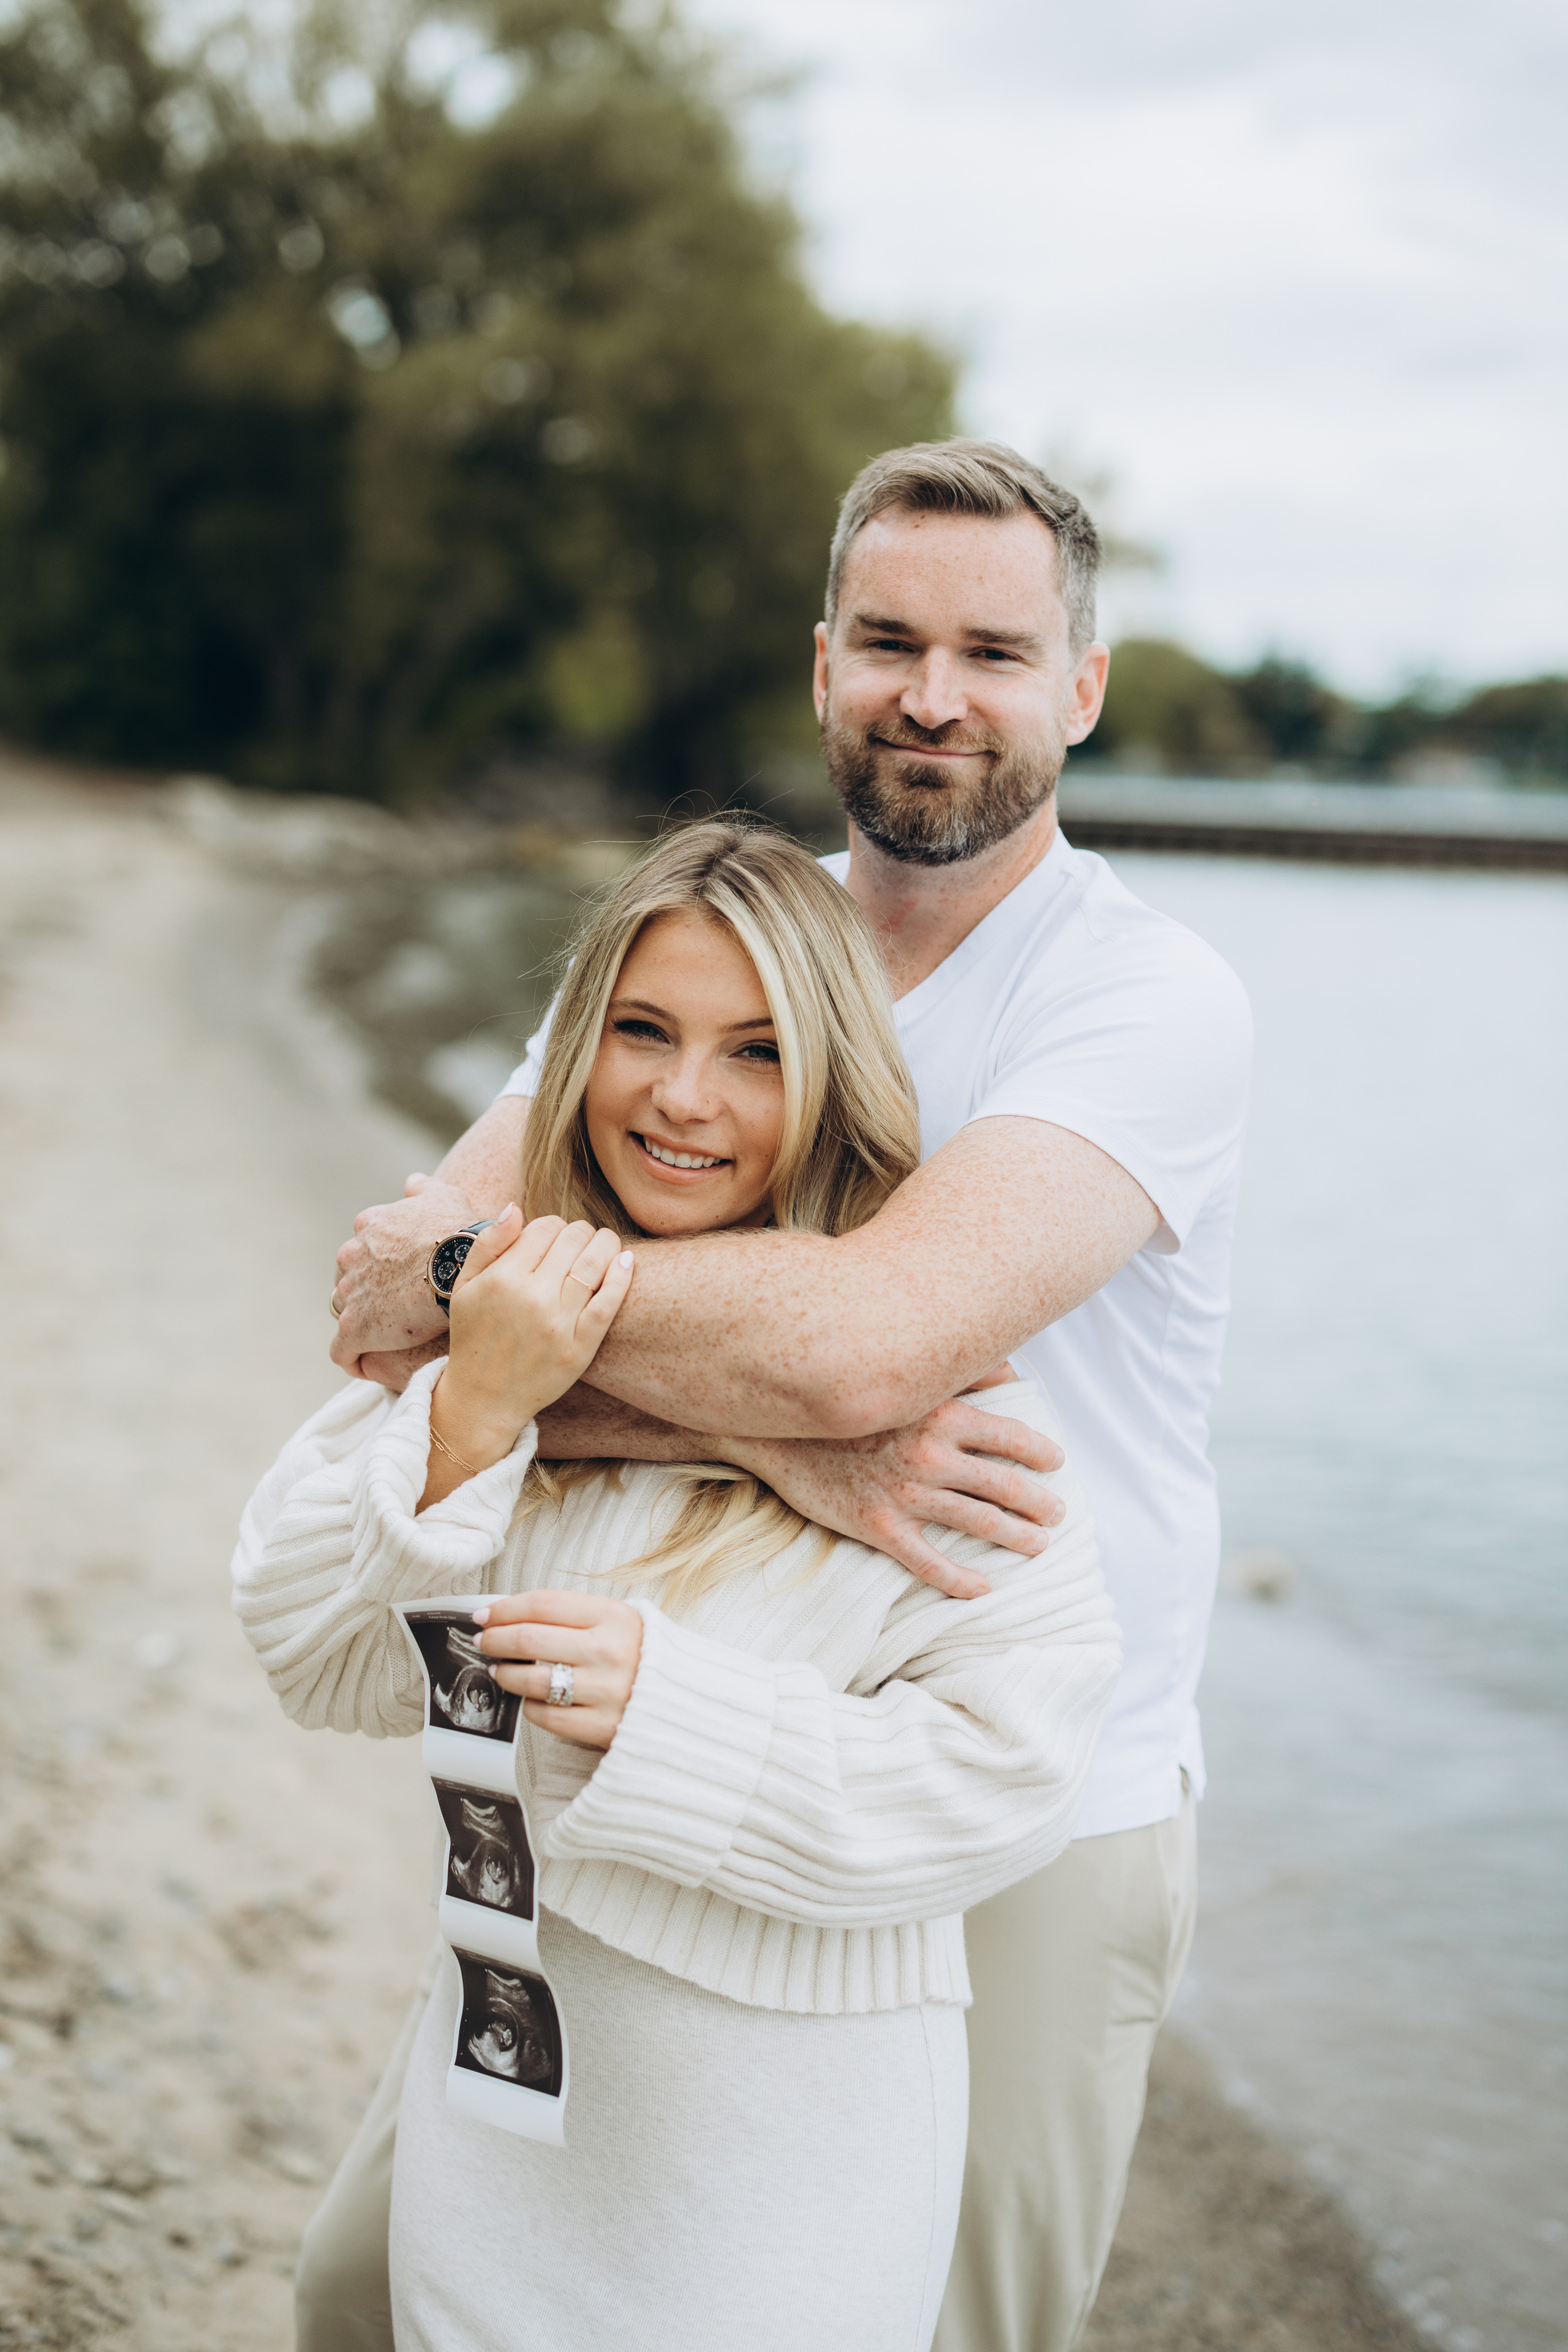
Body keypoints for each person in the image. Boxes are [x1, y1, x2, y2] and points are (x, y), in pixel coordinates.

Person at [320, 438, 1253, 2352]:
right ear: (822, 662)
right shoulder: (696, 959)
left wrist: (553, 1334)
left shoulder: (1145, 999)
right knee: (372, 2291)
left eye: (994, 652)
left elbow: (862, 1346)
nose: (934, 695)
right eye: (891, 640)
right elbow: (381, 1309)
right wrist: (772, 1432)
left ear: (1079, 691)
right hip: (653, 1740)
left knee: (943, 2328)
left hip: (1012, 1793)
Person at [235, 821, 1120, 2352]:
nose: (684, 1099)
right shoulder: (503, 1359)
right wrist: (475, 1416)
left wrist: (677, 1715)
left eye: (757, 1053)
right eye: (641, 1031)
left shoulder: (936, 1428)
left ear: (833, 1081)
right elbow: (318, 1660)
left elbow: (1012, 1774)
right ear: (576, 1053)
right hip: (501, 2111)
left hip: (786, 2171)